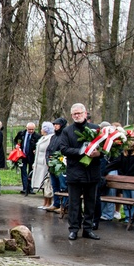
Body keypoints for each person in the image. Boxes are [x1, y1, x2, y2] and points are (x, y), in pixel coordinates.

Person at [55, 103, 101, 240]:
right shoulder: (67, 131)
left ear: (85, 113)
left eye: (79, 113)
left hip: (91, 172)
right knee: (74, 203)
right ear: (71, 115)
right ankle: (74, 229)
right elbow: (63, 148)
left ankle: (88, 228)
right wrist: (82, 152)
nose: (77, 115)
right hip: (74, 171)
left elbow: (104, 149)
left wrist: (98, 154)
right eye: (75, 114)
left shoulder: (95, 129)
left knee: (90, 202)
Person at [104, 130, 134, 224]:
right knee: (126, 200)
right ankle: (128, 217)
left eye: (133, 139)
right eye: (129, 139)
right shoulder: (123, 153)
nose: (131, 141)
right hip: (124, 181)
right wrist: (103, 170)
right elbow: (116, 163)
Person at [31, 121, 55, 209]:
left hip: (45, 163)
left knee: (47, 184)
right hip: (39, 163)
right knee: (42, 184)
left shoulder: (50, 138)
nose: (41, 130)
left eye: (42, 128)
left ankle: (49, 202)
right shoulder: (42, 138)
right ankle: (45, 202)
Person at [46, 118, 67, 212]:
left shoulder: (65, 136)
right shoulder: (53, 137)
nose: (55, 126)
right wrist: (48, 160)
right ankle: (56, 203)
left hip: (61, 163)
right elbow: (48, 149)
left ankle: (64, 205)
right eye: (54, 124)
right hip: (52, 164)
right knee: (55, 185)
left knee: (63, 185)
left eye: (57, 124)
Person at [14, 122, 39, 195]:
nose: (31, 131)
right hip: (22, 155)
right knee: (23, 171)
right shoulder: (21, 134)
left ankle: (30, 188)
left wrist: (36, 149)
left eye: (32, 129)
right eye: (29, 129)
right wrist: (16, 145)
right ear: (26, 128)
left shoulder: (37, 136)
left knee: (31, 172)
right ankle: (25, 188)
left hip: (31, 156)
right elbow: (15, 140)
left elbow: (38, 145)